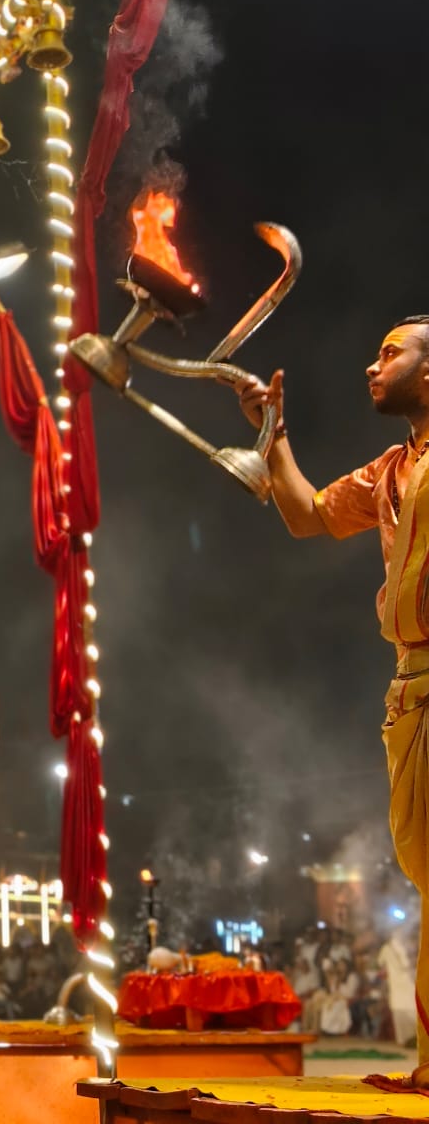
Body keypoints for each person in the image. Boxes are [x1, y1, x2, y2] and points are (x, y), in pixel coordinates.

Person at [236, 314, 429, 1070]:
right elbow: (306, 515)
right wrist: (273, 433)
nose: (371, 366)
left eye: (390, 353)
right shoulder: (389, 470)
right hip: (411, 688)